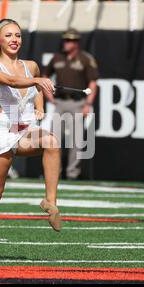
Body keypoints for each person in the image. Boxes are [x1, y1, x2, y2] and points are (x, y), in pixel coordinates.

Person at [0, 18, 60, 260]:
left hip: (25, 129)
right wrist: (37, 81)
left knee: (51, 141)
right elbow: (10, 81)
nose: (14, 40)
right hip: (2, 131)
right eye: (8, 35)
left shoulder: (31, 65)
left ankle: (50, 202)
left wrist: (39, 106)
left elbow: (37, 87)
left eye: (17, 35)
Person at [42, 28, 99, 180]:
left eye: (69, 40)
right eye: (65, 40)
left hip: (78, 103)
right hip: (60, 102)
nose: (65, 43)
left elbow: (93, 83)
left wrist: (88, 104)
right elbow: (45, 77)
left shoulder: (85, 59)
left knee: (77, 140)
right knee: (54, 139)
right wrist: (50, 98)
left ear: (76, 42)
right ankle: (55, 172)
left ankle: (72, 173)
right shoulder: (57, 57)